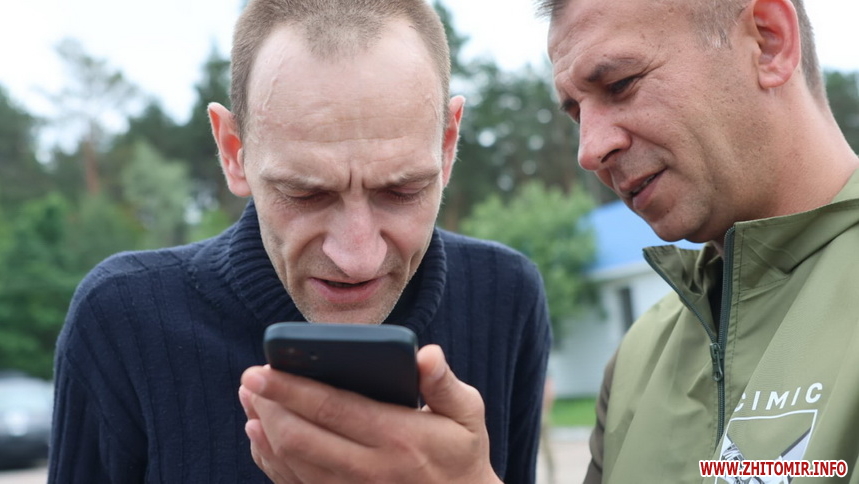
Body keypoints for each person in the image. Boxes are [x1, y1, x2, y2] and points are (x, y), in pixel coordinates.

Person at [48, 0, 551, 482]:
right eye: (305, 194)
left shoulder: (505, 298)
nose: (358, 257)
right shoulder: (122, 320)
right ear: (233, 151)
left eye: (402, 191)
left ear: (448, 144)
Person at [539, 0, 859, 481]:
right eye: (576, 115)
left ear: (769, 43)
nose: (590, 150)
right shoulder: (636, 361)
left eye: (621, 84)